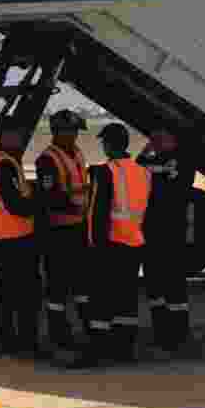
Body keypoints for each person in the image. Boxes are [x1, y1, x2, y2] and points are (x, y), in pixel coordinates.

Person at [67, 123, 150, 369]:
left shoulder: (105, 172)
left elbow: (97, 214)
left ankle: (96, 351)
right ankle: (124, 349)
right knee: (126, 298)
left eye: (104, 143)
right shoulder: (143, 172)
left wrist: (93, 246)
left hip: (110, 244)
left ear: (109, 145)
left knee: (101, 300)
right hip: (134, 242)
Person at [0, 115, 42, 358]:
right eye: (16, 134)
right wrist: (39, 204)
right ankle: (26, 344)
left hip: (3, 237)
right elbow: (16, 204)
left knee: (8, 294)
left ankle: (9, 342)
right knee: (25, 294)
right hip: (15, 238)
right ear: (5, 135)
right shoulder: (4, 164)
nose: (20, 138)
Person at [136, 127, 199, 355]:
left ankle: (177, 335)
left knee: (173, 286)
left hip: (170, 233)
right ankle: (163, 333)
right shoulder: (162, 159)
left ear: (173, 139)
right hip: (153, 232)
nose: (157, 142)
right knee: (155, 285)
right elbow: (138, 168)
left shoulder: (181, 160)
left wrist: (149, 155)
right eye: (155, 139)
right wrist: (149, 150)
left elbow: (144, 170)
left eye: (161, 138)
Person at [35, 109, 89, 351]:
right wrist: (76, 208)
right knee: (57, 287)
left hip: (77, 227)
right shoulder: (47, 159)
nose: (75, 137)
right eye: (71, 132)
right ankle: (59, 334)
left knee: (80, 283)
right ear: (58, 132)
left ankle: (87, 326)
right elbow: (51, 196)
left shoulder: (76, 153)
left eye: (76, 132)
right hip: (58, 231)